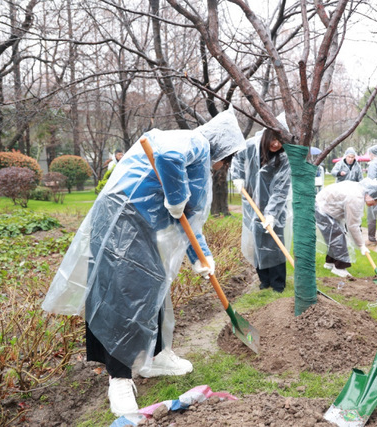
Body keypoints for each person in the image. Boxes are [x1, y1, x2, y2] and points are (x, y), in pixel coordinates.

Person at [41, 108, 246, 417]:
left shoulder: (198, 164)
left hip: (141, 226)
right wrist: (176, 197)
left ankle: (157, 355)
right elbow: (166, 157)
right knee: (121, 298)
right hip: (121, 222)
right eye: (226, 159)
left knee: (153, 287)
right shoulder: (195, 142)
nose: (223, 166)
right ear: (221, 148)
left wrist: (202, 259)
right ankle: (119, 379)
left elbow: (190, 219)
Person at [230, 122, 291, 293]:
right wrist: (238, 177)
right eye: (273, 139)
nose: (276, 144)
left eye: (280, 141)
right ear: (266, 136)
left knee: (275, 244)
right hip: (253, 203)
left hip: (275, 207)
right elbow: (237, 158)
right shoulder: (251, 146)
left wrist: (271, 214)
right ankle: (264, 281)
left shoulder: (284, 158)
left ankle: (278, 284)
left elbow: (280, 189)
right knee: (258, 242)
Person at [315, 178, 377, 277]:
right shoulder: (356, 198)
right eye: (376, 201)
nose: (374, 204)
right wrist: (361, 245)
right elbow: (353, 225)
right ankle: (339, 268)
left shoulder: (359, 191)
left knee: (334, 237)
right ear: (371, 195)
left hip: (324, 207)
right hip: (322, 209)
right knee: (338, 238)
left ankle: (330, 263)